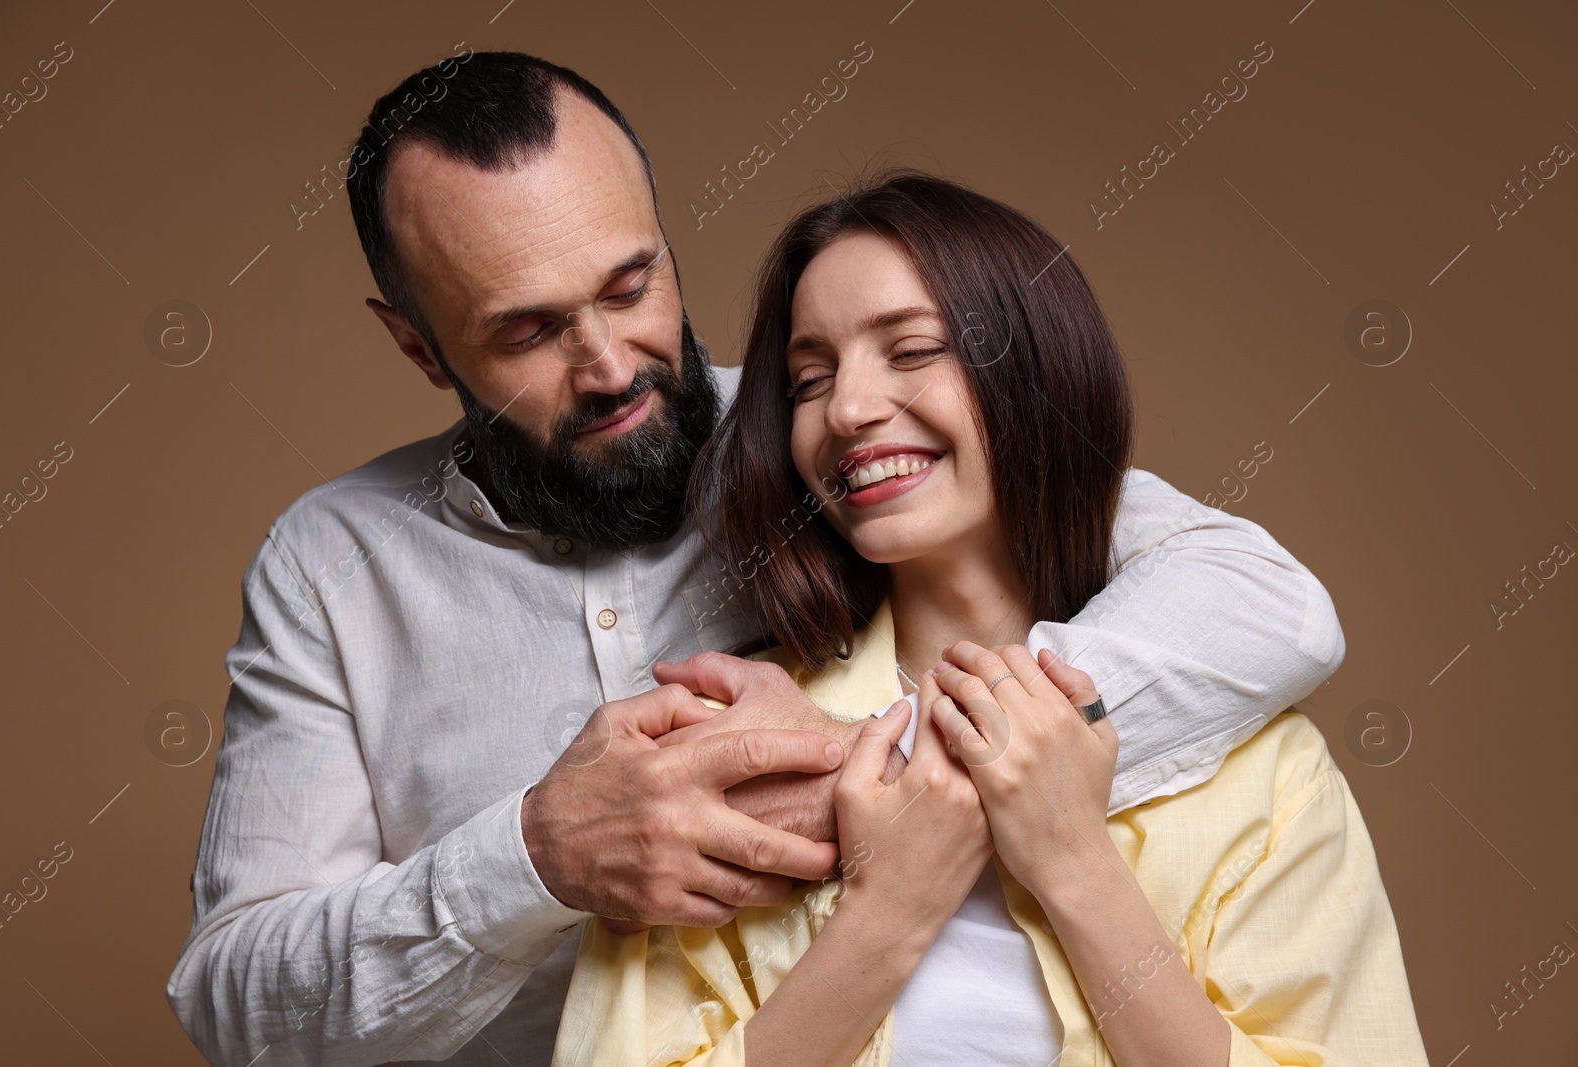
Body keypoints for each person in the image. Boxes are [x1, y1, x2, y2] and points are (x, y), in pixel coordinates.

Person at [166, 52, 1347, 1066]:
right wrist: (536, 855)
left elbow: (1260, 601)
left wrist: (869, 765)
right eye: (528, 331)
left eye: (633, 286)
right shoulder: (329, 564)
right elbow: (235, 1000)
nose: (612, 363)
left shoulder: (842, 444)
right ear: (419, 346)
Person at [553, 174, 1427, 1067]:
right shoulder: (721, 766)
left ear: (1037, 369)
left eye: (912, 349)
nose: (847, 409)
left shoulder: (1263, 773)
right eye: (809, 379)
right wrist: (888, 916)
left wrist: (1075, 865)